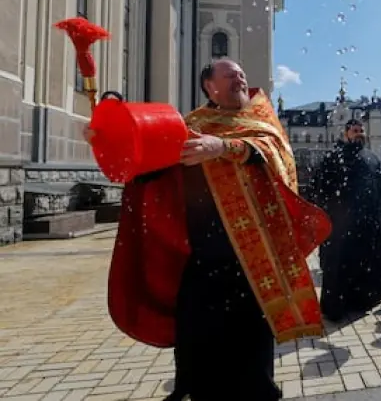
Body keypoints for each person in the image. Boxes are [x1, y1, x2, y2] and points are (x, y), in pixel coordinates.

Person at [92, 59, 331, 401]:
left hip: (252, 257)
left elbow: (273, 152)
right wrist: (111, 139)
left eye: (242, 75)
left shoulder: (260, 118)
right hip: (201, 255)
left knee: (250, 345)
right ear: (209, 85)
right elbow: (150, 170)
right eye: (231, 75)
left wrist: (222, 147)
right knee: (196, 340)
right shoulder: (191, 124)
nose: (240, 80)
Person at [311, 120, 381, 322]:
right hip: (341, 224)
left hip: (367, 223)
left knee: (366, 262)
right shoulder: (333, 158)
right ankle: (337, 307)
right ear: (346, 134)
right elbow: (320, 189)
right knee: (339, 264)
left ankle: (363, 301)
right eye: (355, 131)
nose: (359, 134)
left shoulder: (372, 158)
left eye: (362, 131)